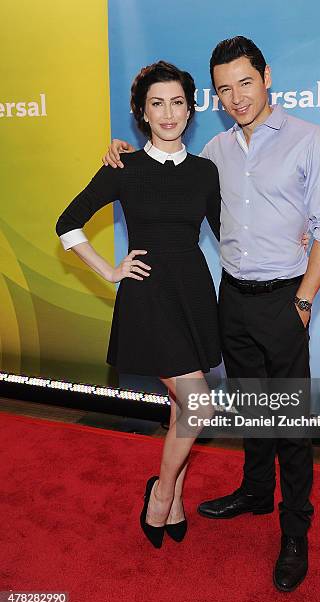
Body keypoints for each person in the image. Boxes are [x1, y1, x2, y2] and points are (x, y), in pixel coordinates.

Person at [104, 37, 320, 592]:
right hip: (230, 298)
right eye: (224, 89)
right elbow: (167, 175)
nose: (237, 97)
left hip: (287, 298)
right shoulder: (212, 152)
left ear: (266, 77)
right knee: (249, 405)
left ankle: (294, 531)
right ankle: (256, 492)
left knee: (288, 420)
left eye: (245, 82)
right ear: (213, 97)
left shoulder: (311, 141)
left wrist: (304, 301)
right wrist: (120, 152)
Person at [55, 61, 223, 549]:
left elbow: (231, 235)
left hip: (193, 295)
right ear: (141, 112)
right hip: (149, 298)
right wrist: (108, 271)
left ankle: (174, 498)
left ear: (191, 110)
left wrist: (291, 236)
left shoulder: (205, 172)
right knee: (198, 407)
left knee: (181, 408)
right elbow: (68, 223)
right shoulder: (122, 167)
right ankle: (162, 491)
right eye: (157, 103)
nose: (168, 113)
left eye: (177, 102)